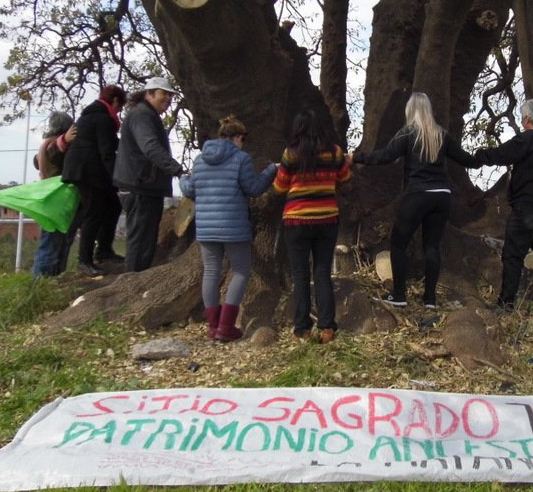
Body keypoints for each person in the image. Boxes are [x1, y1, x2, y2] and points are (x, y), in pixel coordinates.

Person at [351, 92, 477, 309]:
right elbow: (467, 159)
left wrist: (357, 156)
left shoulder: (407, 133)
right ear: (428, 110)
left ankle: (399, 295)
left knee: (398, 243)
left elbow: (385, 156)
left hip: (417, 194)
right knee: (433, 246)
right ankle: (430, 299)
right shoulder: (442, 135)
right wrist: (489, 157)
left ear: (410, 111)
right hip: (442, 196)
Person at [180, 115, 277, 341]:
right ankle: (226, 326)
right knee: (241, 271)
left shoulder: (200, 160)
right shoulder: (241, 159)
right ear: (237, 137)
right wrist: (271, 170)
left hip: (205, 228)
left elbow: (189, 190)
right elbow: (253, 188)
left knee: (211, 273)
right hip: (233, 226)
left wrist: (184, 179)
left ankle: (213, 327)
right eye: (242, 139)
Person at [472, 98, 533, 311]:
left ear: (527, 119)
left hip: (528, 207)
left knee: (513, 254)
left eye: (523, 117)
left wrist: (478, 157)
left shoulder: (528, 139)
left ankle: (507, 303)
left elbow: (502, 154)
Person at [273, 109, 352, 343]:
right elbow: (346, 179)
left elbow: (279, 188)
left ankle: (302, 329)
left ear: (298, 128)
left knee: (300, 275)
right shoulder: (334, 152)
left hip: (296, 220)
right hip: (327, 220)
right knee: (322, 272)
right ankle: (327, 328)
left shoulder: (291, 154)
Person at [112, 77, 185, 272]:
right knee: (140, 241)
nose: (168, 98)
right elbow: (150, 147)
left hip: (145, 187)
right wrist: (177, 170)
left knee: (146, 239)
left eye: (171, 95)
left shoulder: (146, 115)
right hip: (139, 187)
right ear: (149, 93)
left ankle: (136, 279)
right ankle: (132, 284)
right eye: (164, 93)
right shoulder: (142, 115)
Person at [61, 84, 127, 276]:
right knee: (93, 213)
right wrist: (118, 179)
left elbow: (113, 143)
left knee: (113, 206)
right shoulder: (103, 118)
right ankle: (85, 260)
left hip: (88, 171)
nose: (119, 111)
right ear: (114, 101)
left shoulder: (90, 117)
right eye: (120, 107)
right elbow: (107, 152)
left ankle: (104, 250)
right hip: (88, 173)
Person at [31, 111, 77, 277]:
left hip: (50, 201)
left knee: (55, 243)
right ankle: (41, 279)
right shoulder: (52, 145)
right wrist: (64, 141)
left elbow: (37, 161)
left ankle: (51, 277)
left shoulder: (45, 144)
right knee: (51, 244)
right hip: (55, 201)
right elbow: (55, 151)